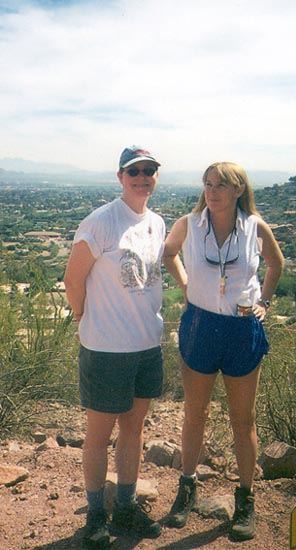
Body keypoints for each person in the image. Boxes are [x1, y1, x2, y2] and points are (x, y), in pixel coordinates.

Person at [163, 161, 284, 541]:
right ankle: (187, 487)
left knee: (242, 420)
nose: (211, 191)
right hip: (200, 325)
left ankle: (245, 500)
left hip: (241, 327)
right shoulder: (189, 224)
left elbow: (276, 263)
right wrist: (186, 286)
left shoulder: (254, 227)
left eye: (220, 185)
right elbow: (168, 254)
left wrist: (264, 300)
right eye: (207, 184)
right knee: (195, 413)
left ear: (237, 190)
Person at [64, 146, 165, 547]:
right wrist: (81, 318)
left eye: (149, 170)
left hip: (146, 344)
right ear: (120, 176)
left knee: (134, 429)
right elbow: (73, 280)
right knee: (98, 434)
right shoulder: (101, 222)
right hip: (106, 348)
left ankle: (124, 506)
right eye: (134, 171)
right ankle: (95, 515)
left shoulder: (156, 222)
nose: (142, 177)